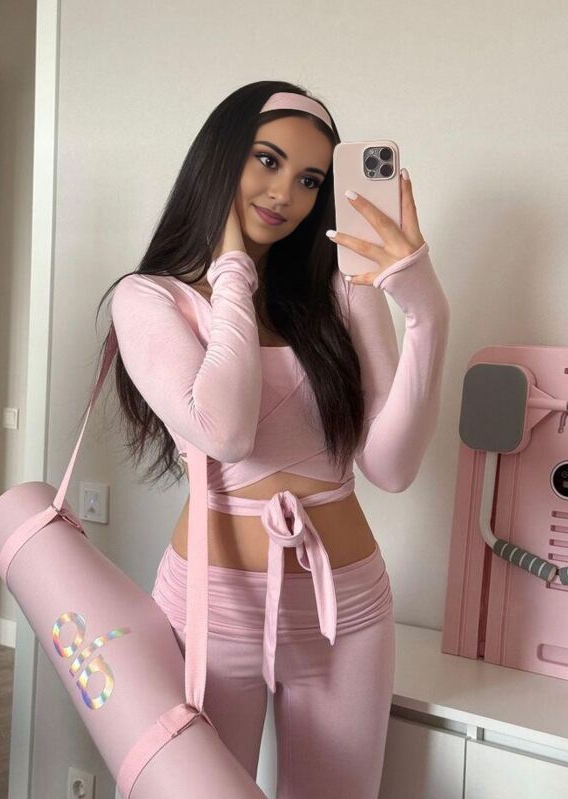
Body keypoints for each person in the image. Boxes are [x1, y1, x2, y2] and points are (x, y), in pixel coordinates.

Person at [100, 81, 450, 798]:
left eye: (310, 179)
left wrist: (426, 314)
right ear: (220, 156)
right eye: (266, 160)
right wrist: (232, 272)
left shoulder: (339, 293)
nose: (285, 193)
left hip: (347, 611)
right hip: (212, 608)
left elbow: (391, 466)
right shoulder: (150, 298)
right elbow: (224, 431)